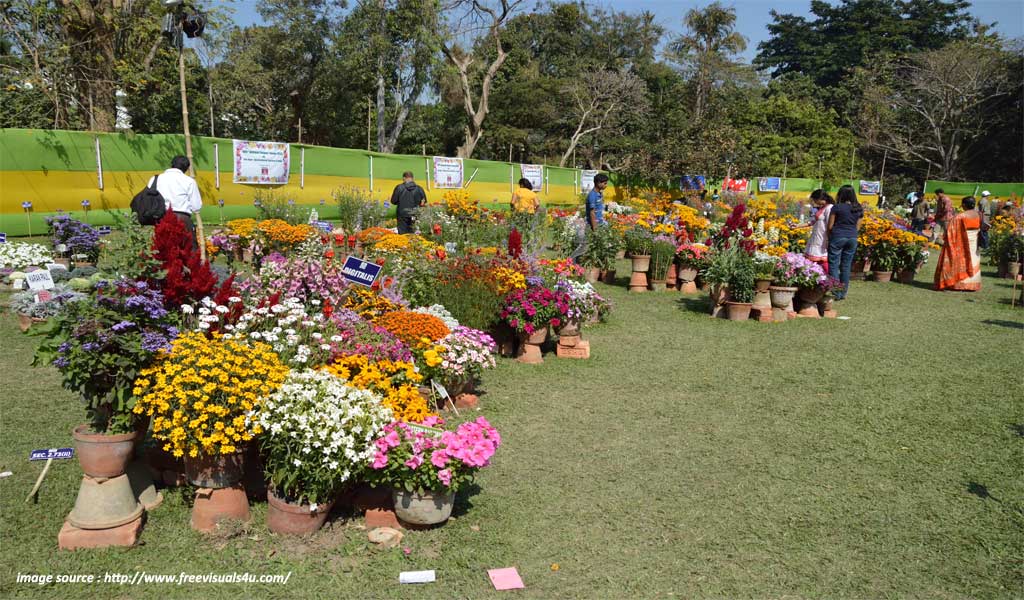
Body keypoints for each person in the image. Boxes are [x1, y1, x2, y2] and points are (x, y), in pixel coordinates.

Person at [148, 155, 202, 246]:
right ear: (186, 168)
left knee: (162, 249)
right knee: (188, 249)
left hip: (161, 218)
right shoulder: (189, 181)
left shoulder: (155, 179)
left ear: (171, 164)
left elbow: (149, 198)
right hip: (182, 219)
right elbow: (196, 206)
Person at [934, 196, 982, 292]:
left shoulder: (961, 216)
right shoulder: (978, 215)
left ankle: (958, 284)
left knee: (961, 260)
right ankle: (972, 284)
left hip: (963, 242)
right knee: (973, 259)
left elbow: (950, 231)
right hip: (974, 242)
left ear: (964, 205)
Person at [827, 185, 864, 300]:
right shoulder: (858, 208)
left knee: (833, 265)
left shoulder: (837, 207)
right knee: (846, 266)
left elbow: (830, 226)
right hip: (852, 238)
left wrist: (830, 238)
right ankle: (843, 293)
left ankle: (836, 292)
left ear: (840, 194)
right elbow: (858, 227)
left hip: (838, 236)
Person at [804, 189, 833, 273]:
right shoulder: (822, 208)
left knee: (822, 259)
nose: (814, 202)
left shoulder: (829, 208)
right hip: (817, 236)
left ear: (819, 198)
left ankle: (830, 278)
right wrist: (798, 226)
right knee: (815, 258)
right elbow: (814, 221)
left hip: (823, 237)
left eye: (815, 200)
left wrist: (828, 239)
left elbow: (829, 224)